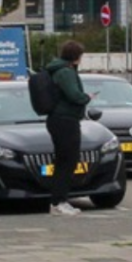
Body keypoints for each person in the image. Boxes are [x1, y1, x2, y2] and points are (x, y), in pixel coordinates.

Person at [43, 40, 90, 216]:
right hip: (65, 120)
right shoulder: (66, 72)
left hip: (60, 120)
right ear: (76, 56)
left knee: (64, 160)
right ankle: (58, 202)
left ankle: (60, 200)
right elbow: (74, 95)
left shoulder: (59, 69)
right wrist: (86, 97)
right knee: (68, 161)